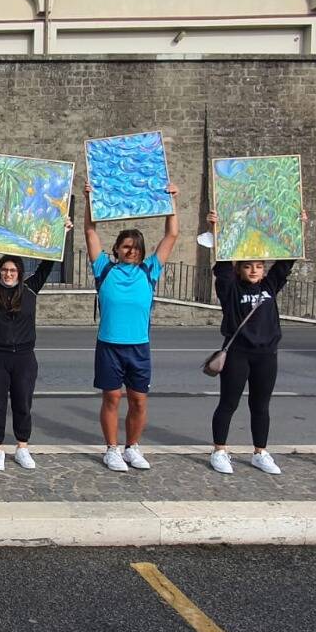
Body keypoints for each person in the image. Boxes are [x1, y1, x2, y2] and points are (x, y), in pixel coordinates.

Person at [83, 182, 180, 472]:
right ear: (117, 248)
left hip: (138, 347)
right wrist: (91, 199)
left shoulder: (150, 270)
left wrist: (171, 201)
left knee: (138, 401)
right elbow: (90, 231)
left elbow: (172, 234)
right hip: (109, 346)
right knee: (112, 397)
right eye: (126, 246)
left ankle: (132, 447)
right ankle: (111, 449)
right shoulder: (104, 268)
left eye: (136, 247)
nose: (132, 250)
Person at [204, 211, 303, 475]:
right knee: (229, 402)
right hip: (238, 353)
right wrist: (216, 229)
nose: (254, 270)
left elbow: (285, 263)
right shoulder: (230, 289)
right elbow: (222, 267)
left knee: (260, 405)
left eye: (258, 266)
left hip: (266, 354)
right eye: (248, 266)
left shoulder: (269, 286)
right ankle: (220, 451)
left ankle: (260, 452)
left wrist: (296, 226)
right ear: (239, 268)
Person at [0, 215, 69, 470]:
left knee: (22, 402)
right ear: (0, 272)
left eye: (13, 270)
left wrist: (60, 233)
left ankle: (22, 447)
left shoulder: (30, 290)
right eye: (4, 270)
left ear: (19, 272)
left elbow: (47, 264)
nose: (8, 273)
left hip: (24, 357)